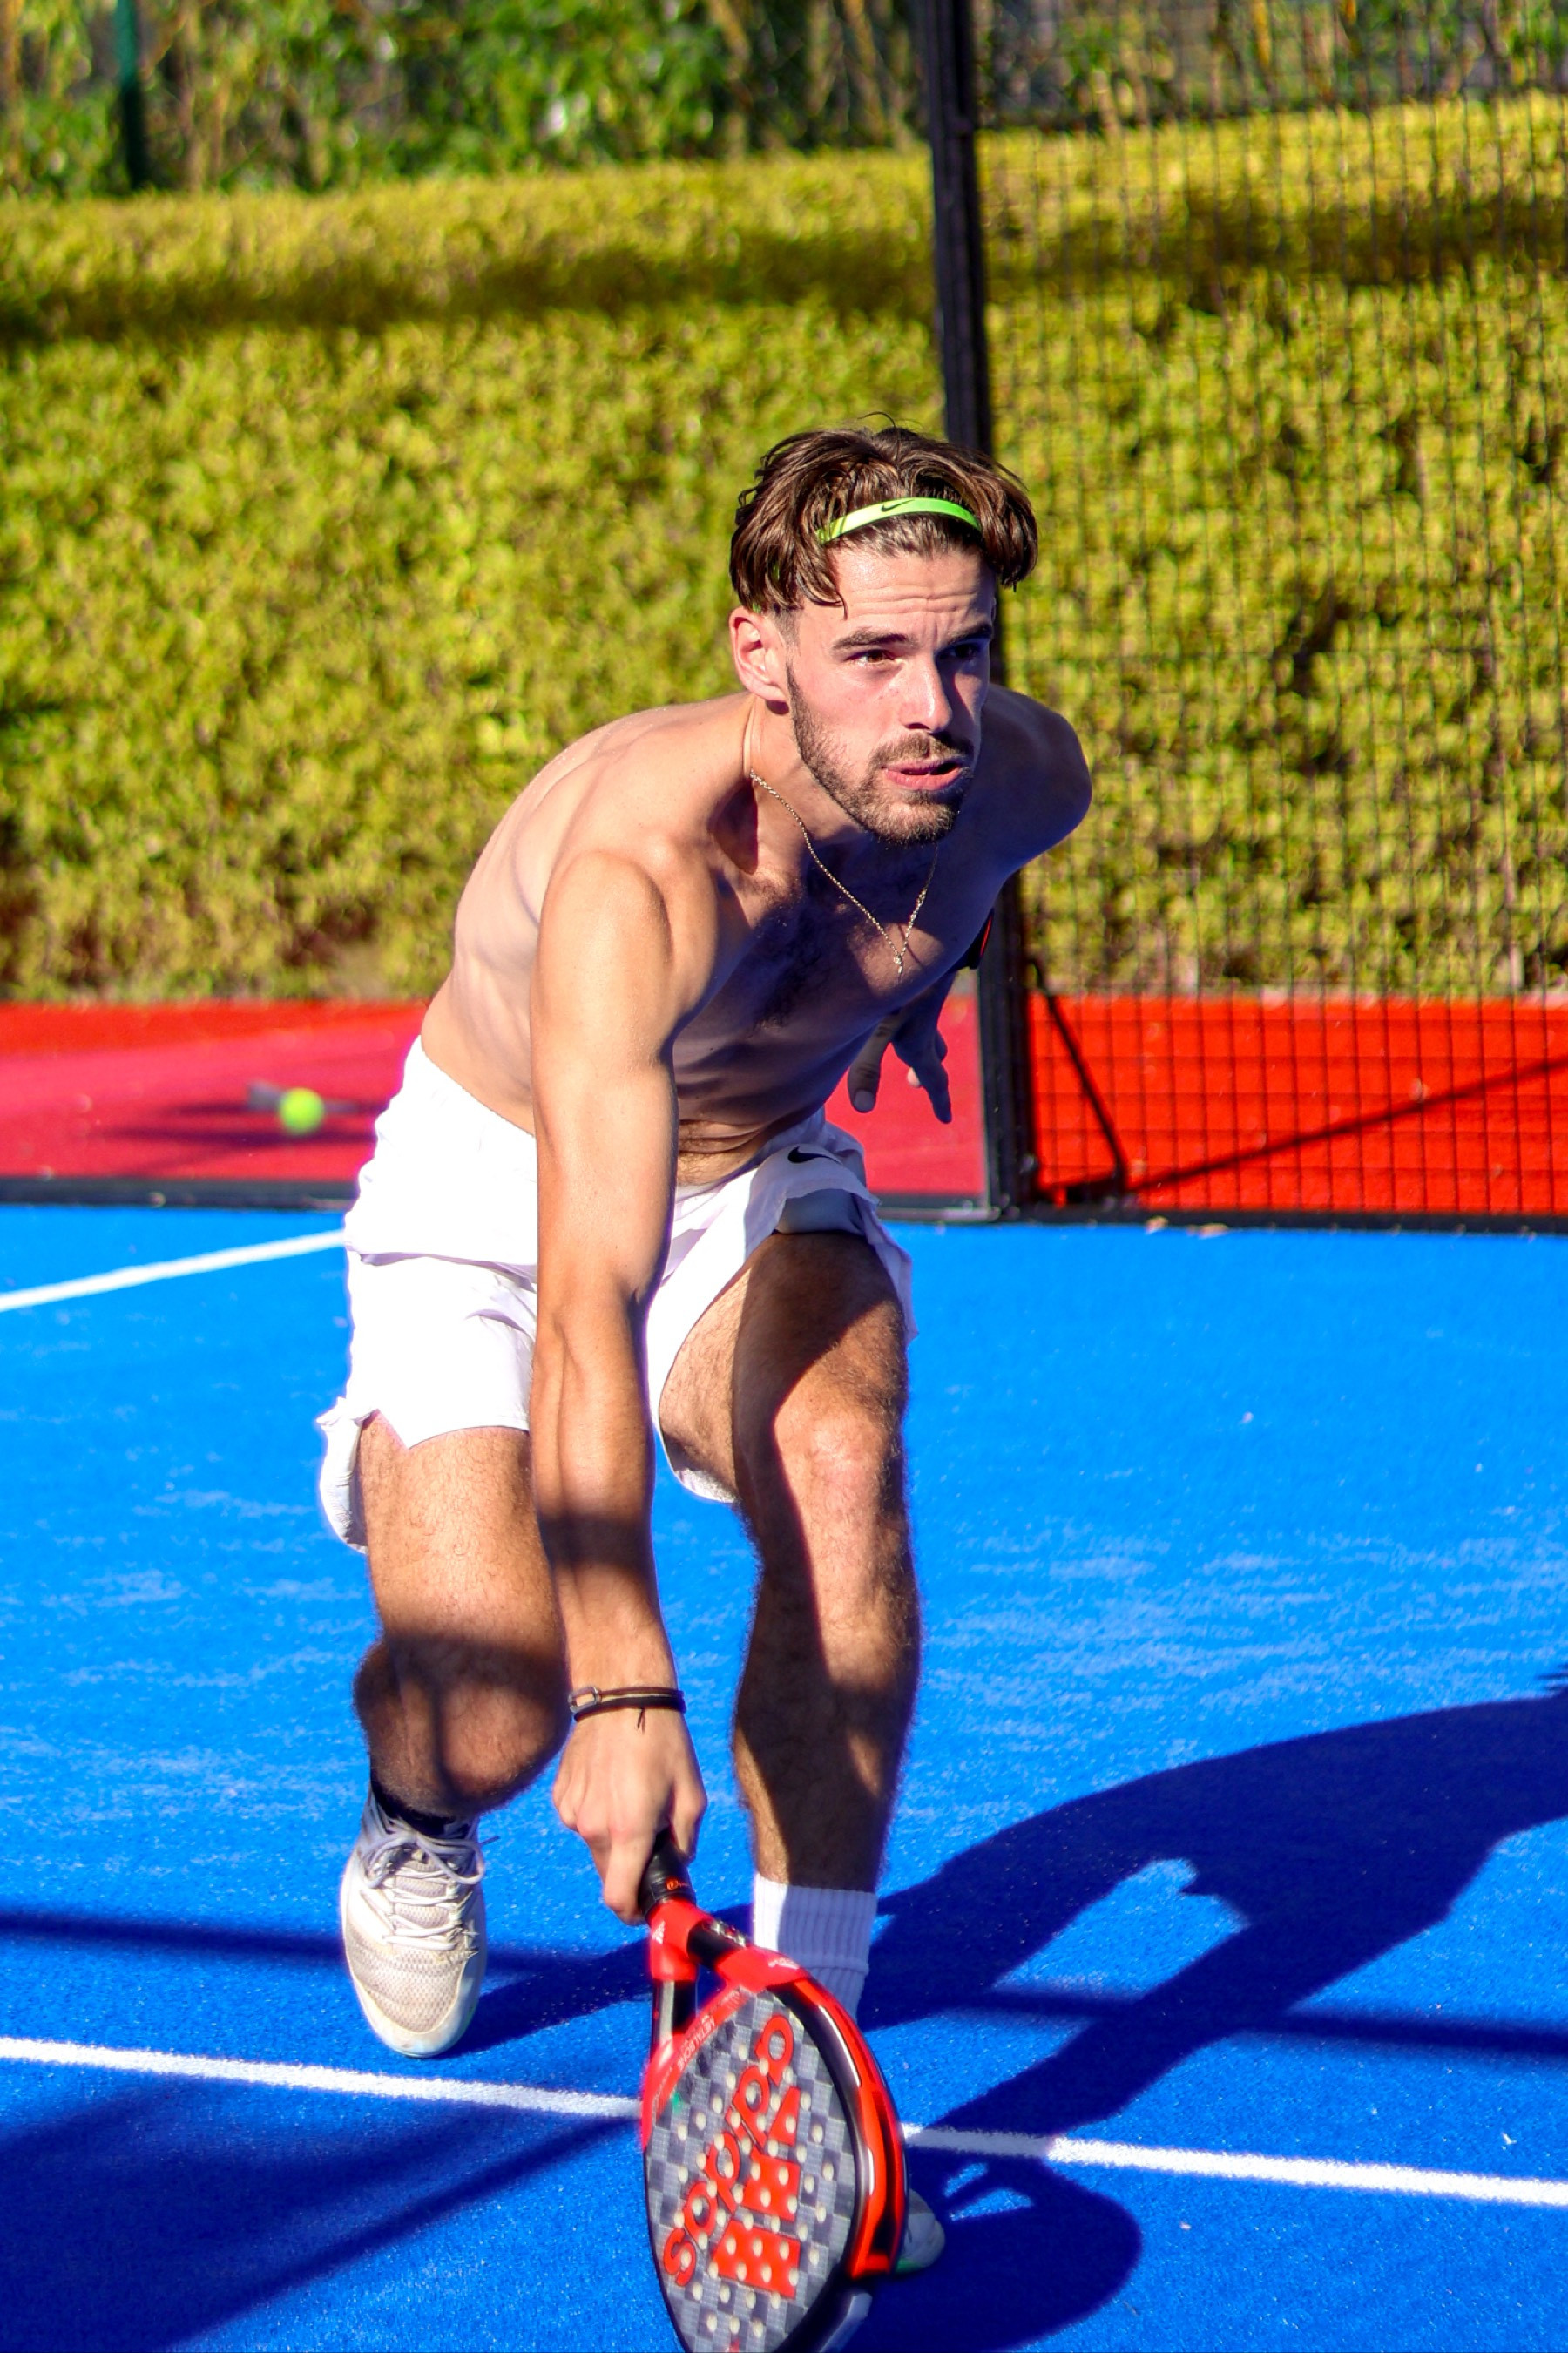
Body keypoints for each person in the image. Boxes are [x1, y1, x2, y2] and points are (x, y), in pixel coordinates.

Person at [315, 422, 1091, 2268]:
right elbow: (584, 1305)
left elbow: (937, 882)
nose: (934, 707)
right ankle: (413, 1800)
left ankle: (797, 2056)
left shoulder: (1020, 778)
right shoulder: (644, 879)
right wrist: (621, 1692)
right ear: (763, 654)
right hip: (508, 1196)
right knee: (499, 1707)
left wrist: (897, 994)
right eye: (873, 656)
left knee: (840, 1455)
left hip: (747, 1167)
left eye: (963, 650)